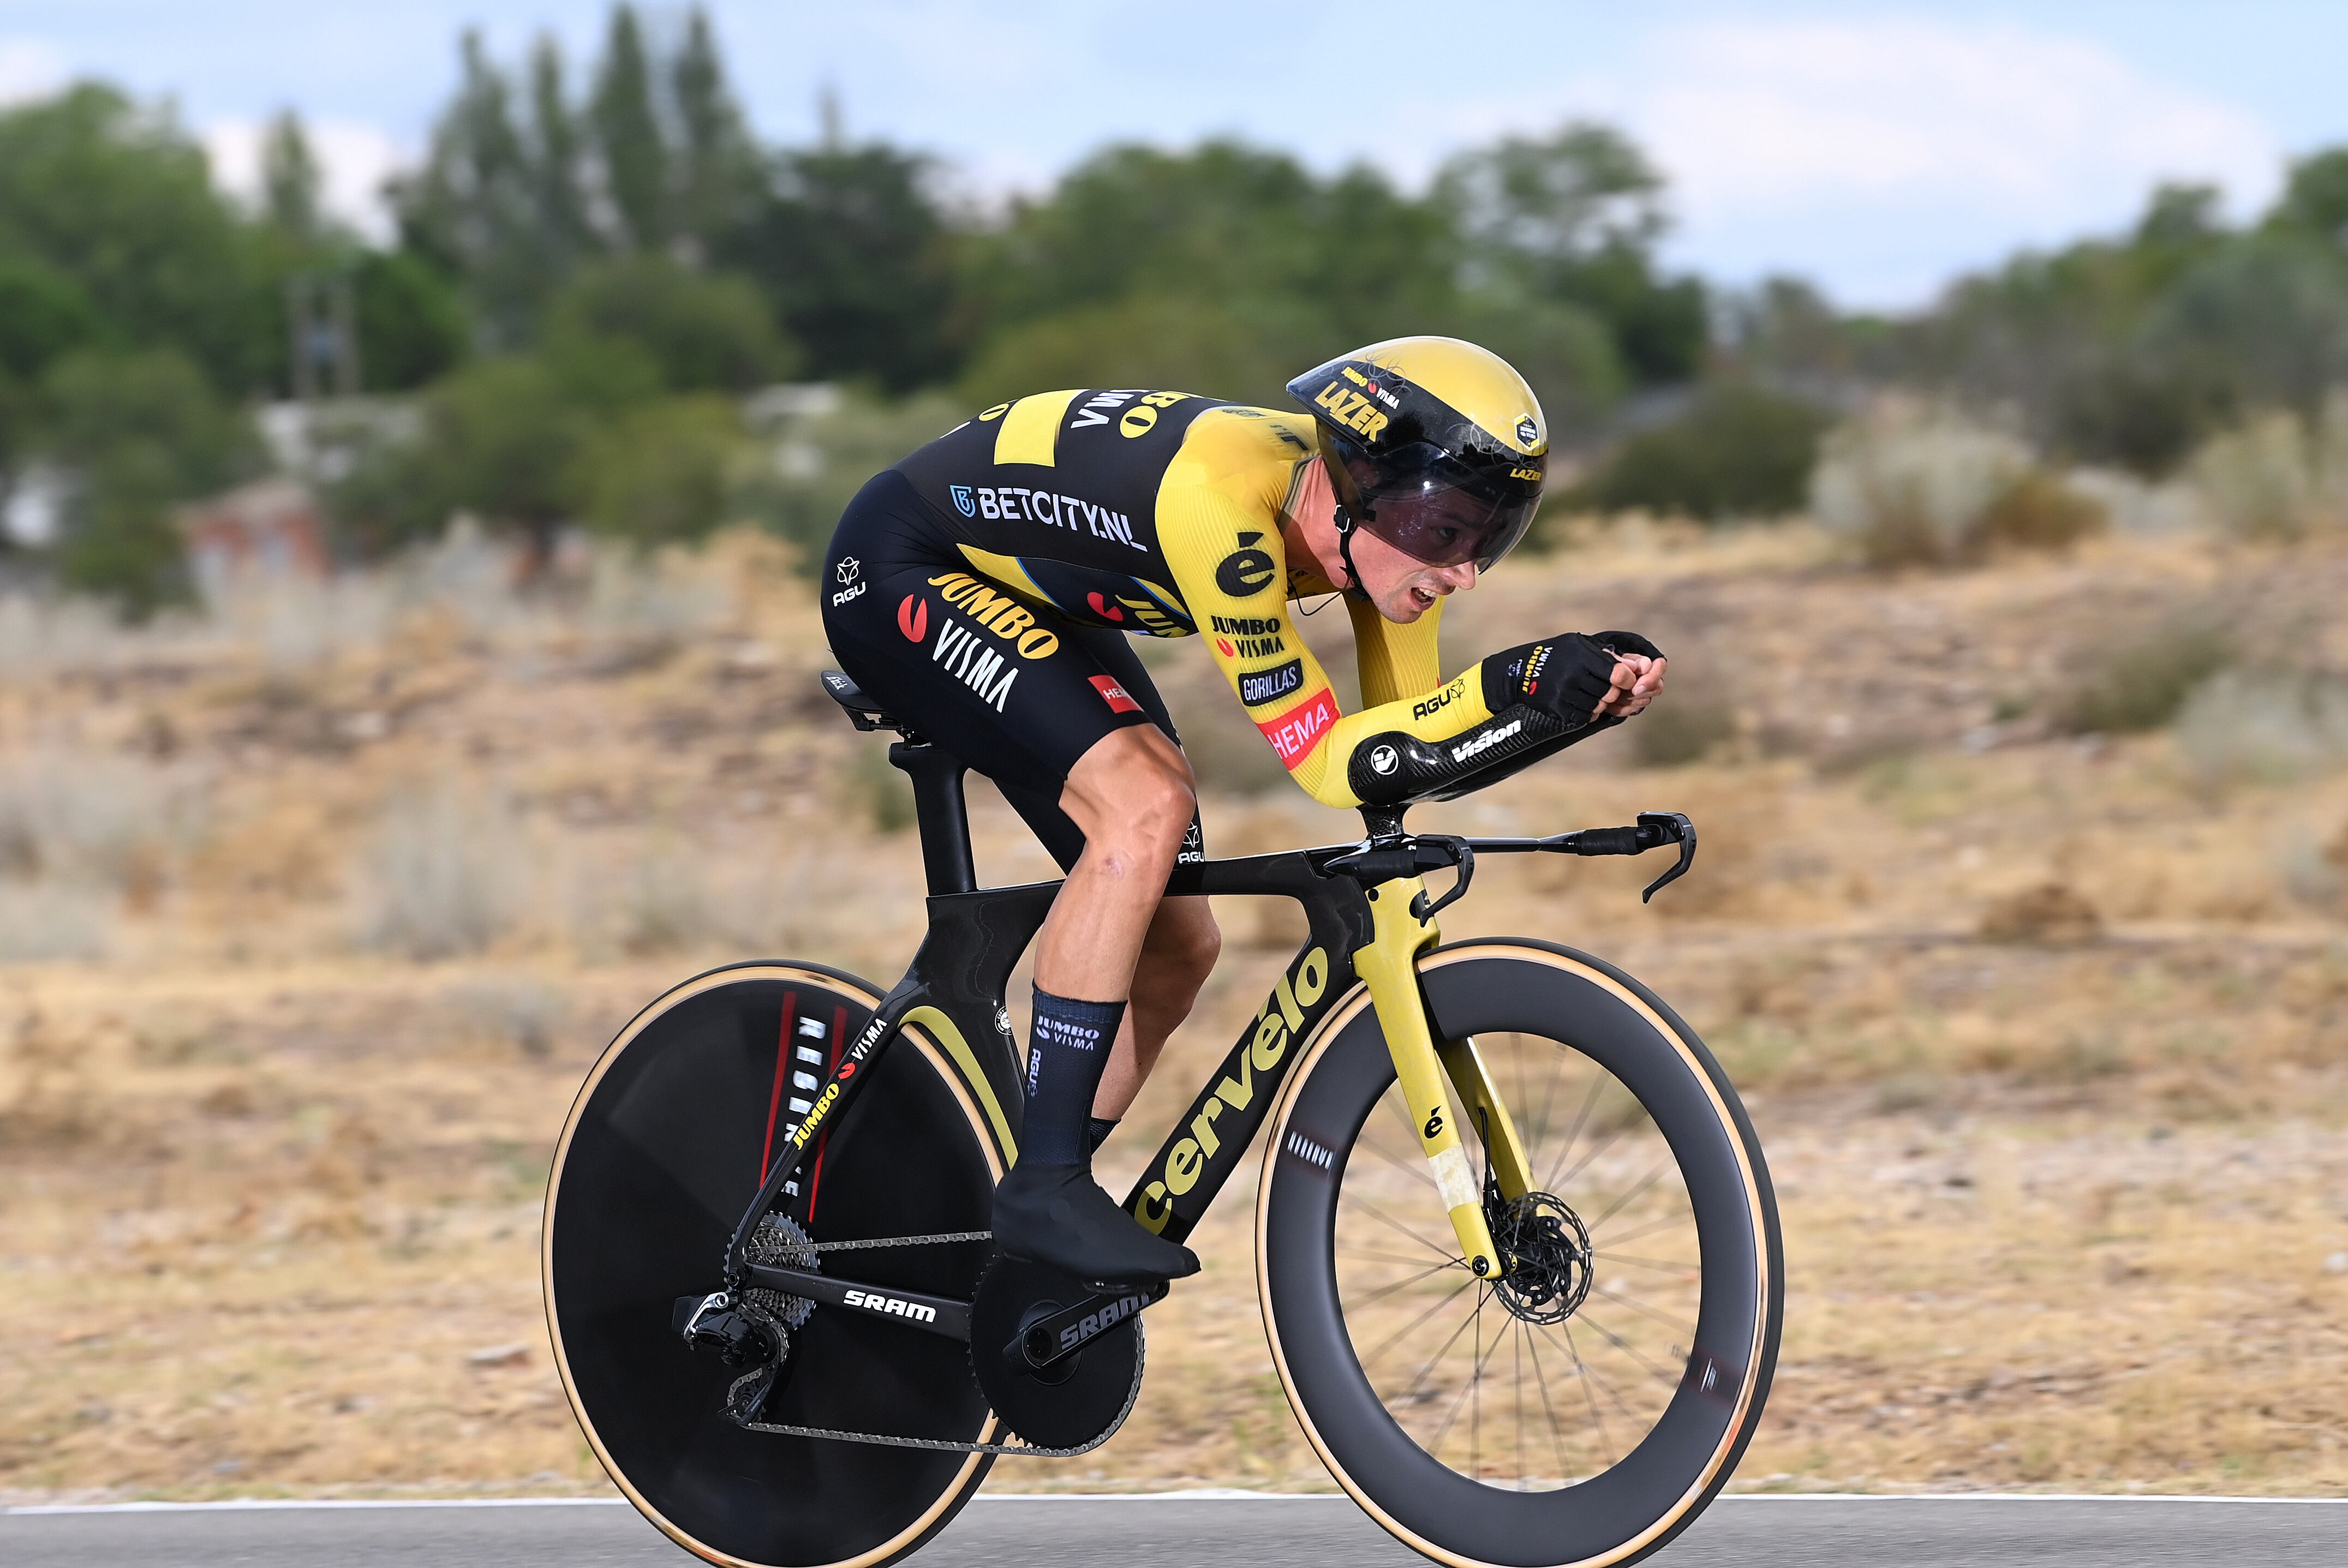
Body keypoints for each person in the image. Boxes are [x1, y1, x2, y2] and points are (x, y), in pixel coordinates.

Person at [820, 338, 1665, 1290]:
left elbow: (1405, 760)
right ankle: (1044, 1188)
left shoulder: (1384, 538)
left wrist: (1562, 708)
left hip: (1023, 591)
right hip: (902, 566)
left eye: (1487, 537)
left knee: (1179, 946)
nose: (1464, 571)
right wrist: (1513, 681)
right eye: (1447, 530)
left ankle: (990, 1215)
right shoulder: (1224, 513)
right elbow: (1332, 766)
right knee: (1146, 804)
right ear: (1363, 484)